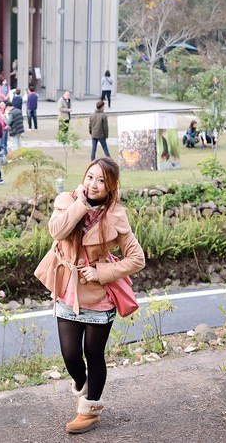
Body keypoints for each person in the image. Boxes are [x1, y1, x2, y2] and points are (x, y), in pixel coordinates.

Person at [34, 158, 145, 434]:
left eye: (101, 181)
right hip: (67, 289)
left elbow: (137, 258)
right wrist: (80, 204)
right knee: (71, 356)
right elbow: (57, 231)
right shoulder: (66, 201)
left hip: (98, 295)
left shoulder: (116, 214)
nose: (93, 185)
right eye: (90, 177)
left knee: (93, 354)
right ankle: (83, 385)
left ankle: (90, 409)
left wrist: (102, 271)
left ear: (111, 187)